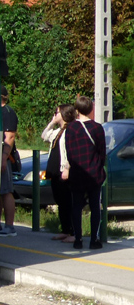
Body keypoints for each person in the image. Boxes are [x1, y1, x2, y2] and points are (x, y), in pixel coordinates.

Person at [60, 95, 106, 250]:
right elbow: (102, 152)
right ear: (91, 109)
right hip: (94, 173)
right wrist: (99, 166)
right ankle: (94, 240)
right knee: (95, 206)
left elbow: (69, 151)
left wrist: (72, 166)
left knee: (76, 206)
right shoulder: (97, 128)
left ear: (77, 110)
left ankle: (78, 239)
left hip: (77, 172)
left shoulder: (71, 128)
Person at [41, 104, 76, 242]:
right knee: (60, 201)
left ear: (64, 114)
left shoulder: (70, 130)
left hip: (64, 171)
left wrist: (67, 168)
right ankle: (65, 230)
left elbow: (72, 152)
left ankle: (74, 232)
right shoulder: (58, 131)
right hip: (55, 171)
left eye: (57, 112)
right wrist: (52, 122)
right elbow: (44, 136)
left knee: (68, 201)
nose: (55, 114)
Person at [0, 89, 18, 237]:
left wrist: (4, 157)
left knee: (6, 191)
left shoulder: (8, 112)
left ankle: (10, 226)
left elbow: (10, 137)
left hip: (4, 157)